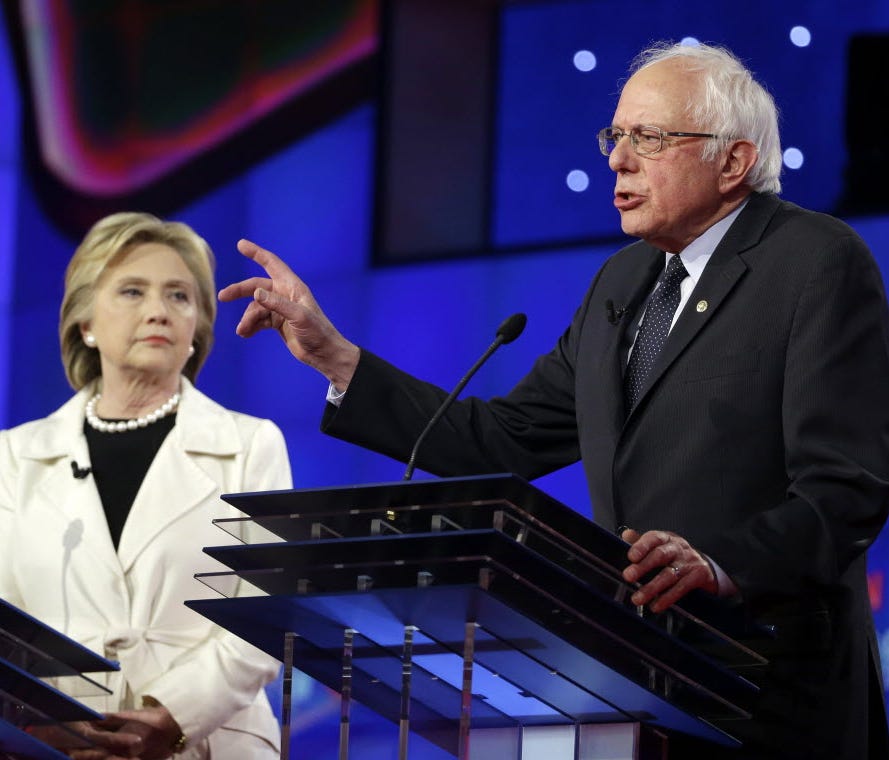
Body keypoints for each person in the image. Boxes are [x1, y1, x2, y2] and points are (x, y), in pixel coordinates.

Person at [217, 42, 889, 759]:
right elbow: (501, 439)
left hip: (775, 691)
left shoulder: (812, 261)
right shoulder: (622, 282)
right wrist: (336, 357)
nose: (618, 160)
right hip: (641, 690)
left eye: (649, 138)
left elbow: (845, 488)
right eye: (616, 137)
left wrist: (717, 562)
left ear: (732, 162)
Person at [0, 212, 292, 759]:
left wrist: (175, 715)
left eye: (179, 296)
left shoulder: (250, 445)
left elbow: (264, 615)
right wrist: (45, 724)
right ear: (85, 323)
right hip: (59, 745)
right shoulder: (15, 456)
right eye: (132, 291)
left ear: (196, 329)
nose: (158, 310)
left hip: (208, 742)